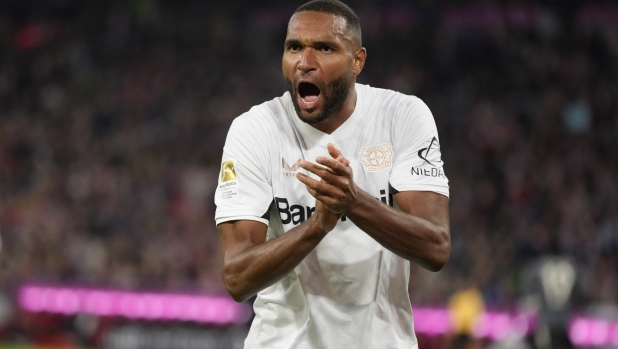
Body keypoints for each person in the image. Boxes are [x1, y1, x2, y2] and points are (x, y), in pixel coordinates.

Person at [214, 0, 450, 348]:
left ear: (357, 61)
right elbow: (237, 278)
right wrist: (317, 226)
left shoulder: (402, 116)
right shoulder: (255, 131)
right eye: (294, 47)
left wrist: (353, 203)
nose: (305, 63)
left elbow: (436, 247)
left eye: (324, 48)